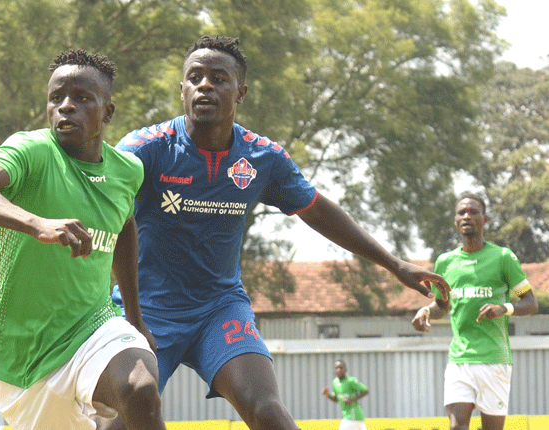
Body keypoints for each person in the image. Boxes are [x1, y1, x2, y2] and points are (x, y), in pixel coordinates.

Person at [100, 35, 451, 430]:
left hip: (218, 308)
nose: (205, 85)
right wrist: (128, 312)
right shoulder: (145, 149)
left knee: (267, 411)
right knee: (126, 419)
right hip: (145, 309)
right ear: (182, 88)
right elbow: (108, 222)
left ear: (241, 92)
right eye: (194, 77)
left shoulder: (261, 157)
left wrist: (394, 264)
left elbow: (316, 209)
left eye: (219, 78)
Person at [0, 49, 166, 430]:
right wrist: (36, 224)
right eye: (57, 98)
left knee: (140, 386)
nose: (66, 107)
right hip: (24, 360)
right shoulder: (32, 150)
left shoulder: (128, 170)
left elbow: (125, 227)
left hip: (95, 326)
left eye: (82, 98)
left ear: (107, 112)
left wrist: (134, 316)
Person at [412, 194, 538, 430]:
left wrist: (504, 308)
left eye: (473, 212)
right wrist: (426, 310)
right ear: (455, 221)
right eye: (461, 212)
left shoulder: (503, 258)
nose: (467, 216)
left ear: (485, 219)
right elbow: (442, 305)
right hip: (460, 359)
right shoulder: (445, 262)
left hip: (494, 360)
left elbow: (531, 303)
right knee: (457, 427)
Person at [322, 360, 368, 430]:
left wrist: (352, 400)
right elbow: (336, 399)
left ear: (345, 370)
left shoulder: (351, 380)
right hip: (353, 417)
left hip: (353, 415)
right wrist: (328, 395)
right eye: (336, 368)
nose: (338, 369)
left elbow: (365, 391)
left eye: (341, 367)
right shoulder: (335, 382)